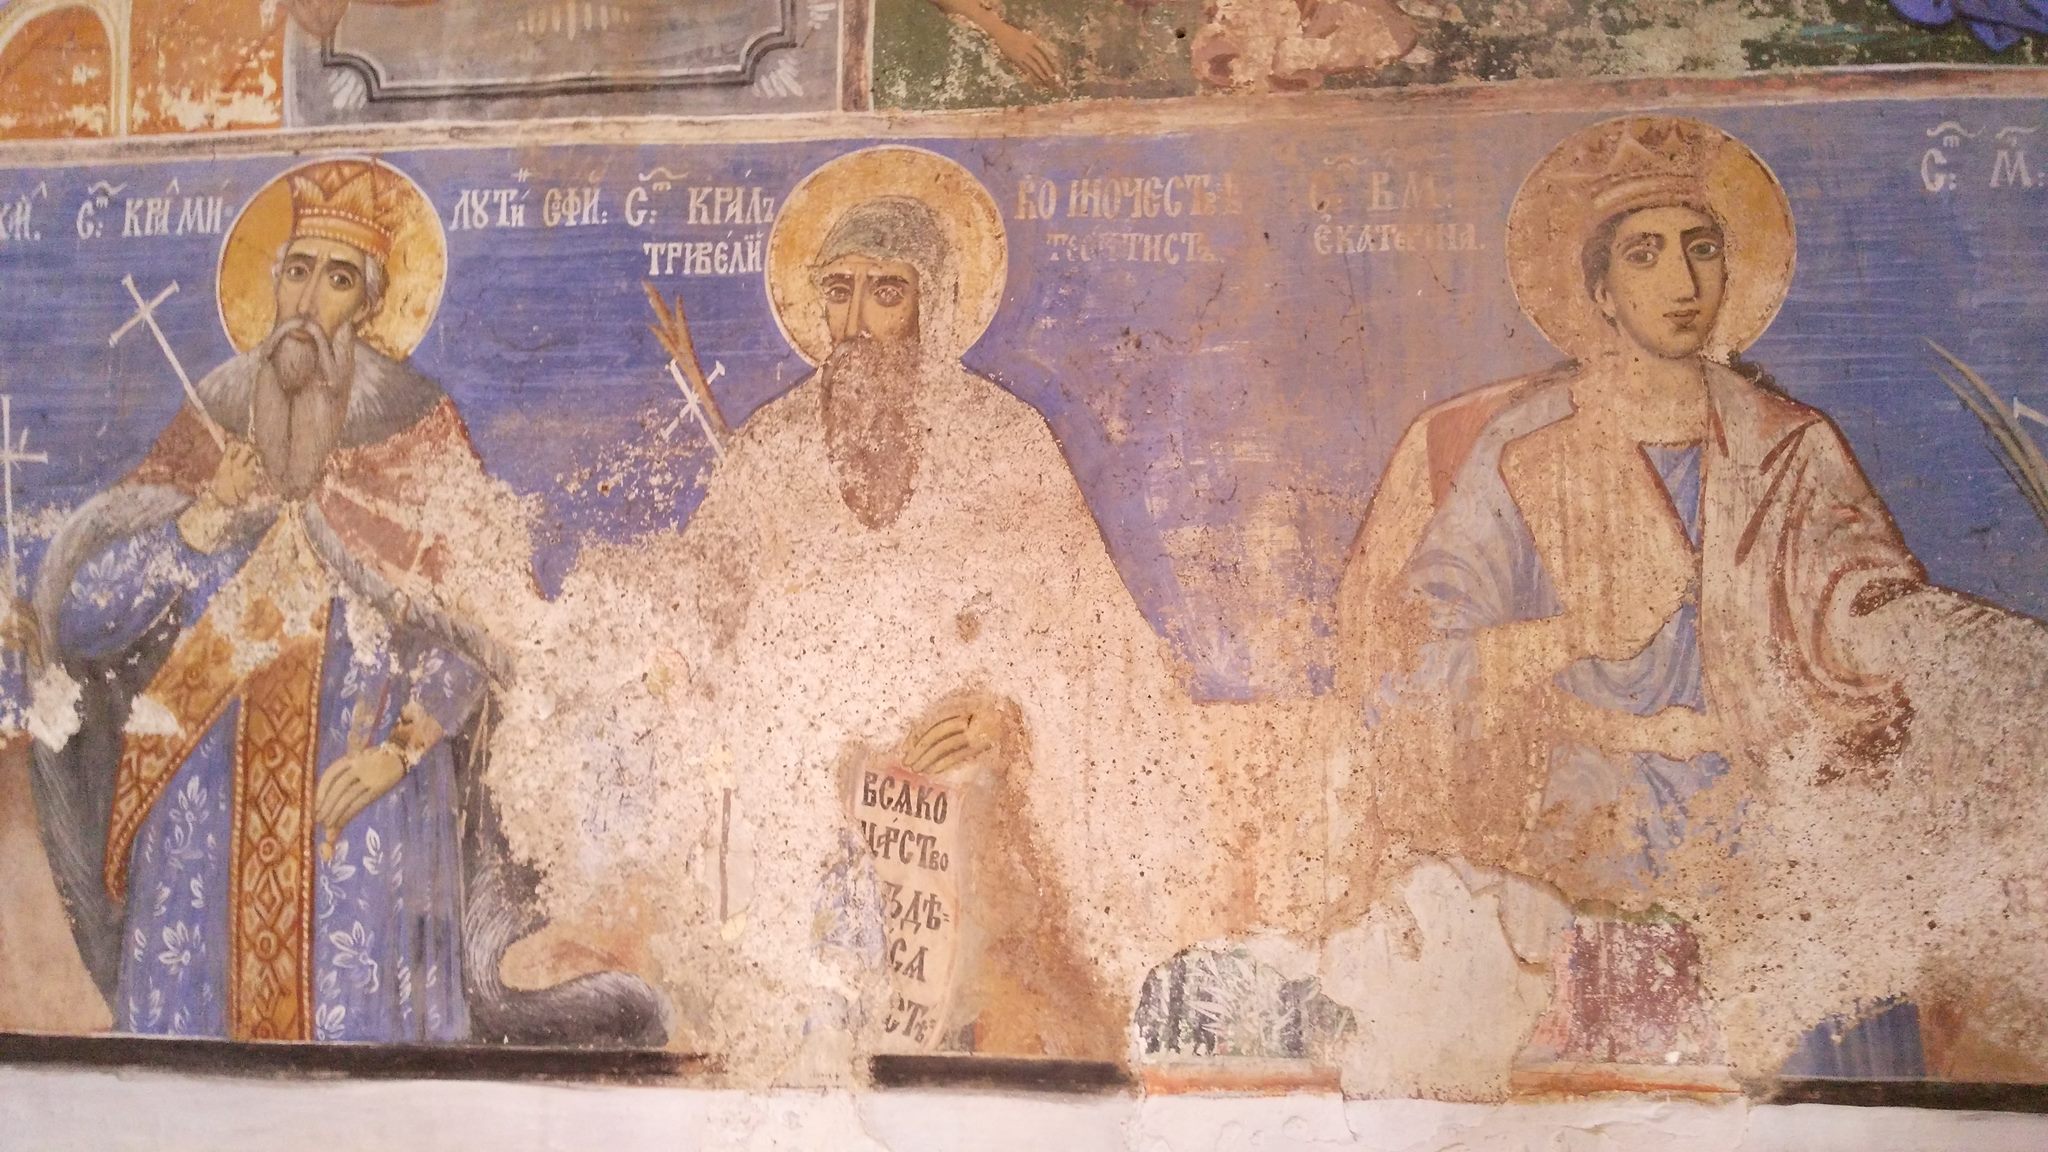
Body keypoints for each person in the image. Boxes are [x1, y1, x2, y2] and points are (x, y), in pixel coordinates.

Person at [487, 148, 1241, 1078]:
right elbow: (703, 622)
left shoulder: (1006, 444)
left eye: (885, 292)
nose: (855, 323)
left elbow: (1088, 646)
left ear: (931, 303)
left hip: (969, 809)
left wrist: (1010, 720)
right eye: (837, 291)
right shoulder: (769, 450)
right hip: (801, 804)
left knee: (993, 1009)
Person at [1330, 116, 2048, 1079]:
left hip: (1766, 811)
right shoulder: (1526, 447)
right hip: (1590, 820)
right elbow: (1419, 652)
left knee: (1823, 1080)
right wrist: (1574, 633)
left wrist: (1968, 648)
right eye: (1645, 254)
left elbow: (1858, 598)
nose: (1682, 281)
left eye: (1702, 248)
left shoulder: (1788, 442)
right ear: (1599, 292)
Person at [27, 159, 654, 1046]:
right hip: (203, 818)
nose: (308, 301)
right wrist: (200, 521)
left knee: (367, 1063)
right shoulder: (214, 420)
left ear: (370, 304)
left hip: (362, 811)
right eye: (297, 270)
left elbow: (472, 629)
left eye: (338, 278)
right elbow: (89, 622)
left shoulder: (416, 431)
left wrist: (401, 752)